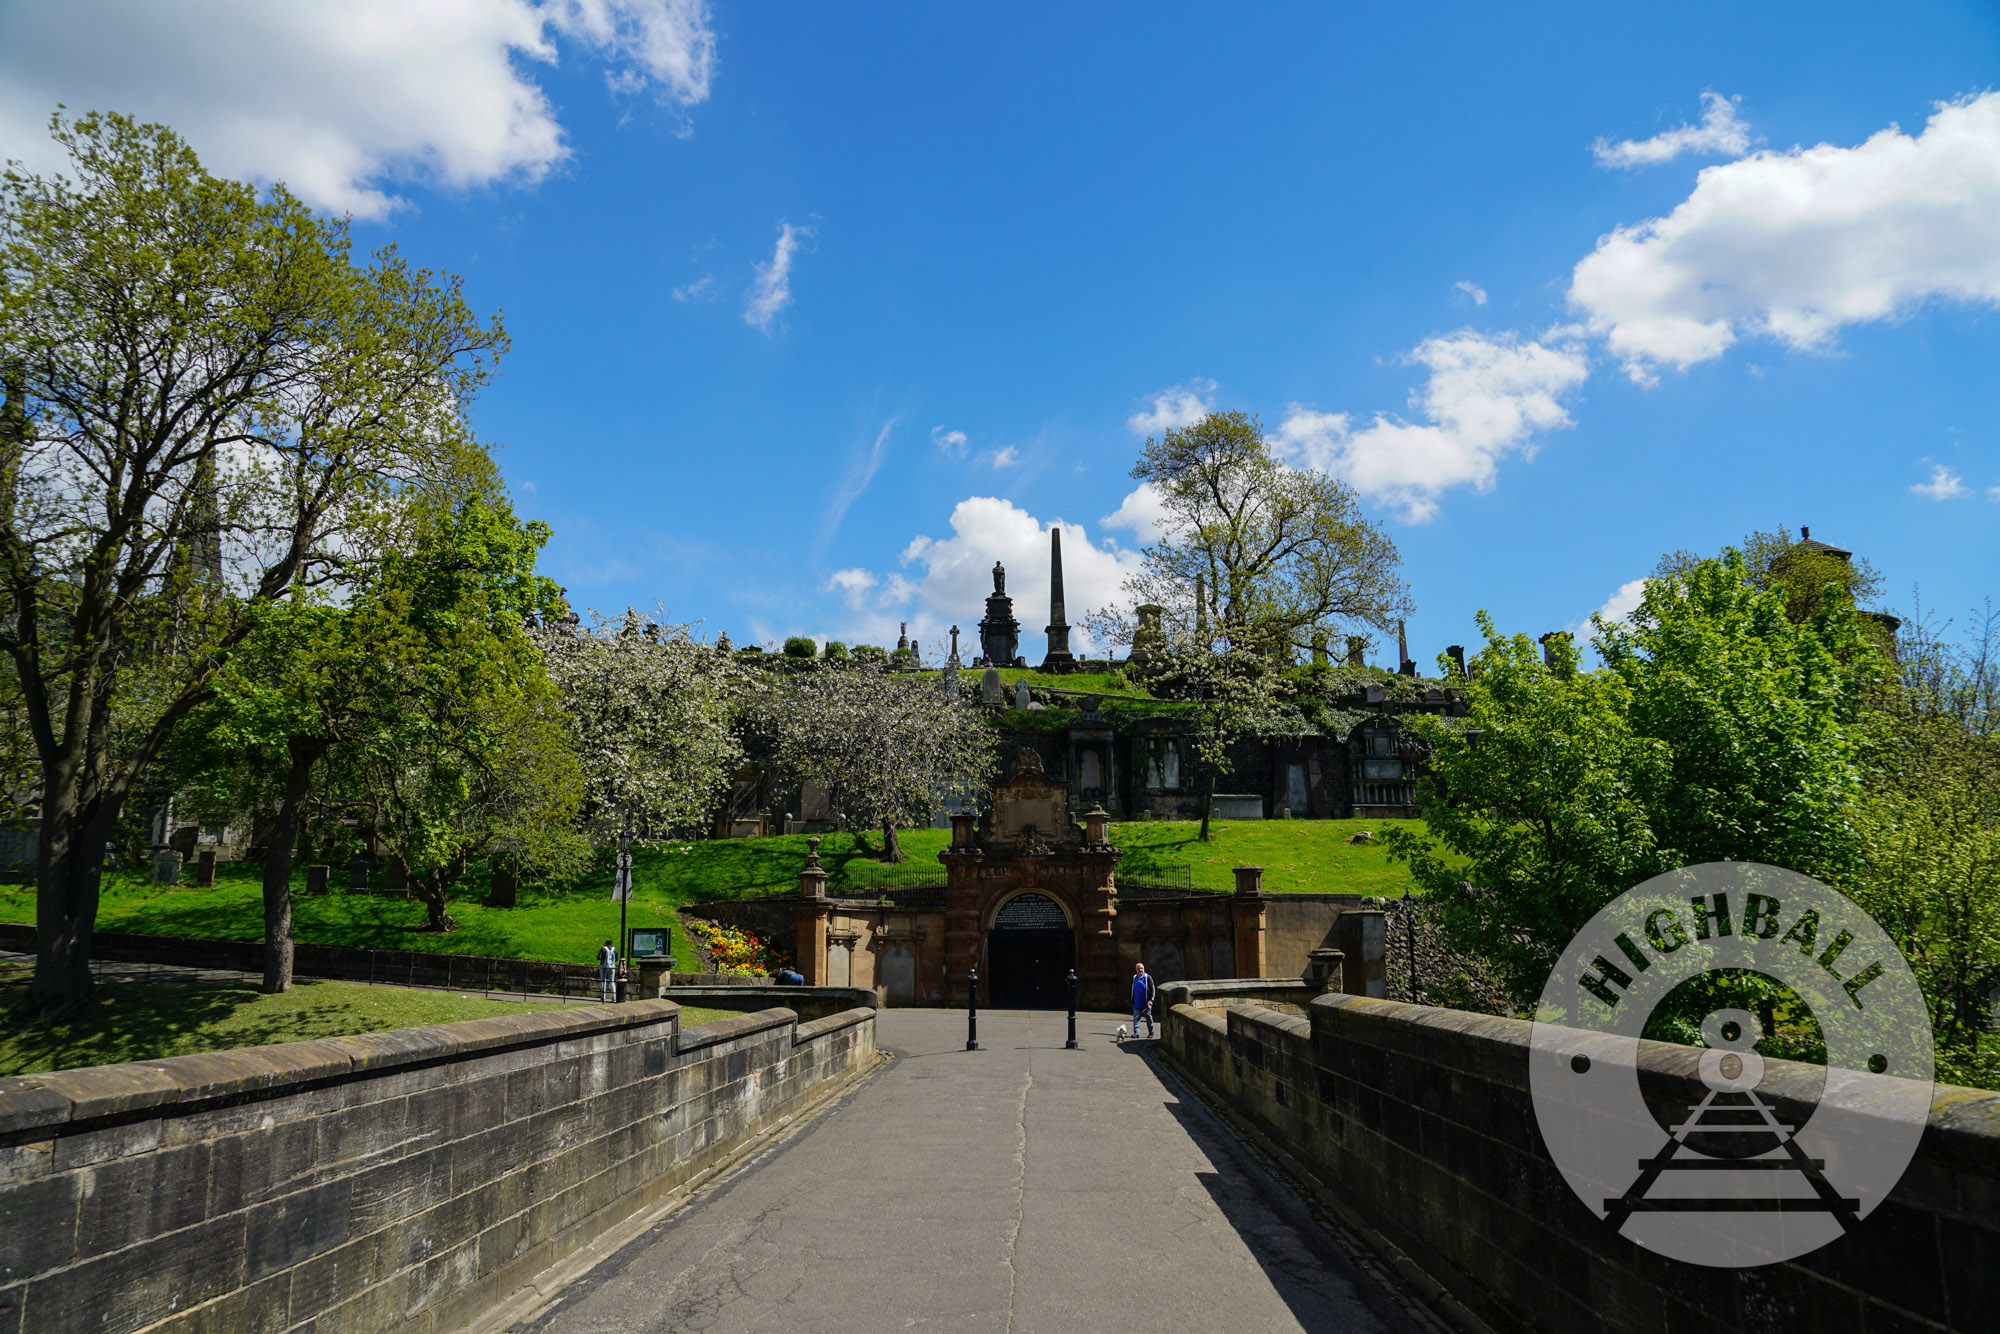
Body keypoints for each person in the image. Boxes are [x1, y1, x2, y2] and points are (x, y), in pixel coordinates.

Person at [1130, 962, 1156, 1040]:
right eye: (1138, 968)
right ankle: (1136, 1033)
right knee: (1136, 1018)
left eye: (1141, 968)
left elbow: (1153, 990)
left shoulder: (1148, 977)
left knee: (1148, 1018)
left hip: (1146, 1003)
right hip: (1136, 1002)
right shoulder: (1134, 977)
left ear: (1144, 969)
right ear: (1136, 970)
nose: (1140, 970)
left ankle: (1151, 1032)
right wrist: (1131, 1000)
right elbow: (1131, 989)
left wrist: (1151, 1000)